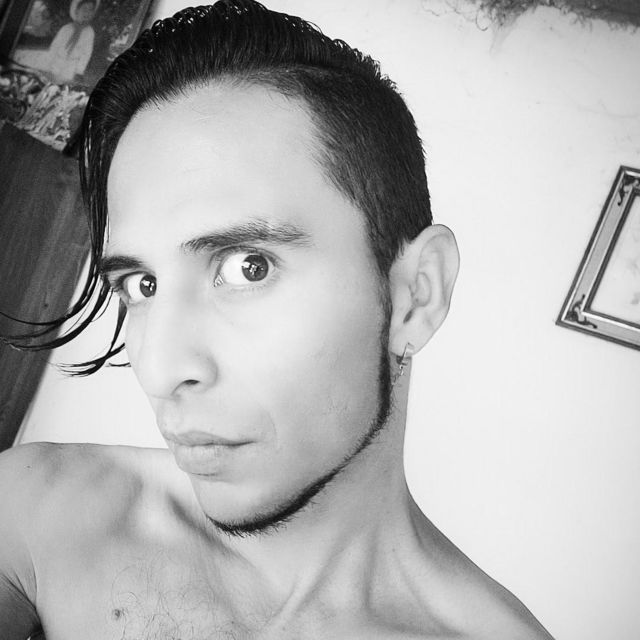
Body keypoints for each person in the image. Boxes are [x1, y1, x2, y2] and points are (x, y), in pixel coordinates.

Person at [0, 1, 555, 637]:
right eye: (141, 285)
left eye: (248, 267)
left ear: (415, 296)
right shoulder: (35, 512)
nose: (157, 369)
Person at [45, 0, 97, 84]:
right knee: (49, 84)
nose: (87, 12)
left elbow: (86, 54)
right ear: (76, 11)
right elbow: (55, 46)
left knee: (64, 86)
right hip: (56, 63)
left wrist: (79, 71)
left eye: (90, 10)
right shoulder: (66, 28)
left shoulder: (89, 32)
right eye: (84, 9)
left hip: (71, 68)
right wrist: (48, 64)